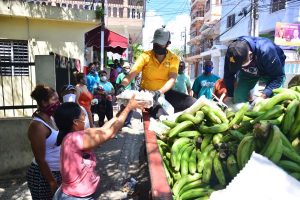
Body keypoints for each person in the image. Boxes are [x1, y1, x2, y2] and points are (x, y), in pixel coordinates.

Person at [52, 96, 146, 199]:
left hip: (77, 194)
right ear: (75, 122)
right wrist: (128, 108)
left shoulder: (74, 134)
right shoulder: (74, 139)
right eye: (83, 115)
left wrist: (124, 109)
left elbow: (103, 129)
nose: (85, 117)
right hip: (76, 197)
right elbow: (110, 133)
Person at [117, 27, 196, 119]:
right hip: (148, 96)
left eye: (160, 44)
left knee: (194, 103)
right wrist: (122, 85)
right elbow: (132, 74)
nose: (157, 45)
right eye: (156, 43)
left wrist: (159, 92)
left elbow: (172, 79)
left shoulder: (173, 58)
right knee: (162, 116)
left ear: (168, 44)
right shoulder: (145, 56)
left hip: (165, 93)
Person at [223, 36, 286, 104]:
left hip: (272, 72)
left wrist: (263, 96)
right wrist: (230, 95)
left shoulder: (266, 51)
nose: (240, 67)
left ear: (250, 54)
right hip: (248, 74)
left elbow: (278, 77)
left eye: (242, 65)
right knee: (239, 96)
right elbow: (228, 75)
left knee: (274, 99)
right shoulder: (232, 54)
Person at [26, 84, 61, 199]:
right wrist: (51, 181)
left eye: (58, 98)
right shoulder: (37, 126)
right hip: (43, 176)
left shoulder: (52, 118)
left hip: (56, 172)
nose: (58, 102)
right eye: (54, 99)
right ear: (44, 102)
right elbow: (40, 159)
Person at [116, 62, 135, 127]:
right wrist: (119, 92)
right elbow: (117, 84)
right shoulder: (120, 75)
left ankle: (128, 122)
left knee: (130, 108)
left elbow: (133, 85)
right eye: (126, 68)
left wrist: (132, 93)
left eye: (128, 68)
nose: (127, 69)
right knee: (123, 108)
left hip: (129, 94)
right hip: (122, 94)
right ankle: (121, 121)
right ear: (123, 68)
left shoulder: (131, 75)